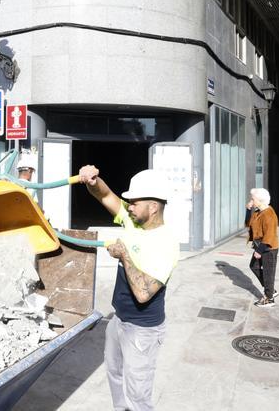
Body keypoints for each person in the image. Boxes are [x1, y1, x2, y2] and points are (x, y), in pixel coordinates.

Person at [78, 165, 179, 411]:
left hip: (142, 330)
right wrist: (93, 181)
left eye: (134, 202)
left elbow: (144, 294)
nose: (129, 207)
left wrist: (124, 256)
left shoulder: (166, 243)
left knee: (138, 396)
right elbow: (105, 195)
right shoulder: (134, 222)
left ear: (153, 206)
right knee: (114, 374)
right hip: (119, 320)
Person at [245, 188, 279, 307]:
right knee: (253, 266)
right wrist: (248, 209)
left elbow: (269, 234)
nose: (251, 200)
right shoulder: (258, 212)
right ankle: (271, 290)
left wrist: (259, 251)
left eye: (253, 199)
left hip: (268, 248)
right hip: (260, 245)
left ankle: (269, 299)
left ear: (260, 200)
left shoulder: (269, 214)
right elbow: (247, 224)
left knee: (268, 272)